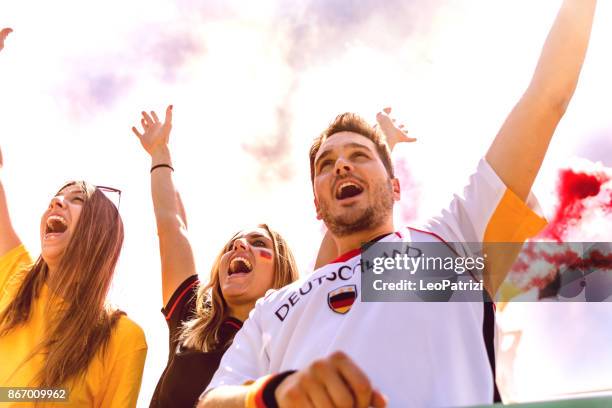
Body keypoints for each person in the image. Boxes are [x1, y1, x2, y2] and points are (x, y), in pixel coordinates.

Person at [199, 0, 597, 406]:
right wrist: (270, 394)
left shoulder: (456, 237)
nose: (341, 167)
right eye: (326, 164)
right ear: (317, 206)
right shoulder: (275, 305)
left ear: (395, 187)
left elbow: (547, 97)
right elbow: (211, 401)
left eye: (358, 156)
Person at [0, 29, 147, 407]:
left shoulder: (122, 338)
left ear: (101, 233)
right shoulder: (14, 280)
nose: (57, 203)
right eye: (56, 197)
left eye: (76, 199)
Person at [130, 106, 300, 408]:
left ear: (282, 271)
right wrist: (159, 153)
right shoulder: (191, 316)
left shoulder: (291, 341)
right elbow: (171, 227)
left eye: (258, 242)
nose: (238, 247)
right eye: (232, 244)